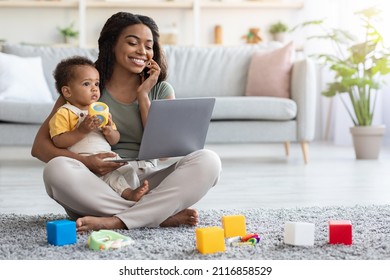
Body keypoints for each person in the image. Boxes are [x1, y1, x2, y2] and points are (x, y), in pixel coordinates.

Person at [31, 11, 222, 232]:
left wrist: (143, 96)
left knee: (209, 160)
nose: (142, 51)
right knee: (56, 169)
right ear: (111, 45)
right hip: (96, 184)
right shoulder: (84, 88)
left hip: (146, 180)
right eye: (133, 43)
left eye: (149, 46)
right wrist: (86, 162)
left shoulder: (160, 89)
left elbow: (164, 153)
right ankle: (155, 216)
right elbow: (40, 147)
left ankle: (117, 220)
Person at [49, 56, 149, 202]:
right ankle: (128, 195)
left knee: (127, 170)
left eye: (96, 83)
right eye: (86, 84)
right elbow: (58, 141)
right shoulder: (65, 112)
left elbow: (115, 139)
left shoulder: (101, 110)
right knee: (110, 177)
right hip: (84, 160)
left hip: (107, 155)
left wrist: (110, 132)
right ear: (67, 92)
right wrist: (81, 131)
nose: (94, 88)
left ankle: (132, 196)